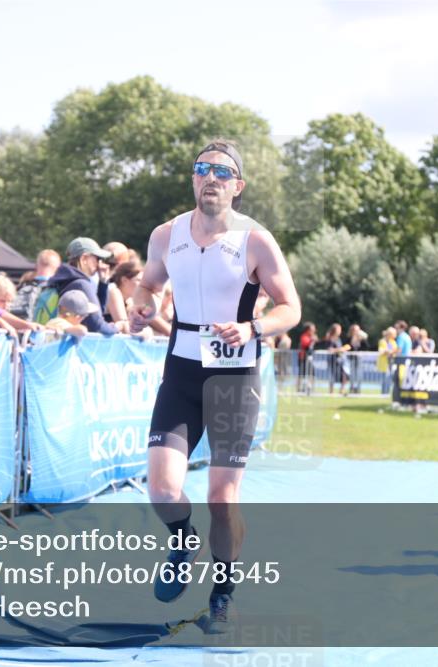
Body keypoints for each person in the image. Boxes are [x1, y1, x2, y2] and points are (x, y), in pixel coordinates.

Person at [128, 139, 301, 633]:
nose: (211, 178)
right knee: (163, 490)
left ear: (237, 186)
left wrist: (254, 328)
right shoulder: (166, 234)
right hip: (182, 373)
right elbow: (149, 284)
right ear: (192, 179)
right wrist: (143, 307)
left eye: (222, 172)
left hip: (234, 378)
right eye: (202, 169)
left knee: (222, 500)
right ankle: (182, 540)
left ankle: (222, 595)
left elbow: (291, 307)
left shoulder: (256, 241)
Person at [37, 237, 126, 335]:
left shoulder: (61, 281)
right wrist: (117, 327)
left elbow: (96, 312)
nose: (99, 264)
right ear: (84, 259)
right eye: (97, 258)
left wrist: (103, 284)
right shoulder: (82, 285)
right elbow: (97, 325)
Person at [10, 249, 61, 320]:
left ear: (36, 265)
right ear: (57, 268)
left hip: (20, 329)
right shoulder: (59, 291)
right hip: (47, 329)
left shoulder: (20, 288)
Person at [323, 323, 350, 395]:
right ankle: (331, 392)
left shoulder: (338, 339)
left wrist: (342, 349)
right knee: (332, 377)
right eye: (339, 329)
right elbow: (330, 349)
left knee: (345, 375)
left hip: (340, 360)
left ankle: (341, 391)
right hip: (332, 360)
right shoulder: (330, 338)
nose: (340, 331)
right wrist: (341, 349)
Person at [345, 323, 368, 394]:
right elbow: (347, 347)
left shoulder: (362, 339)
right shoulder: (349, 338)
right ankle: (351, 388)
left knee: (359, 374)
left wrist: (361, 339)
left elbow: (366, 347)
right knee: (352, 374)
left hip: (359, 359)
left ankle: (358, 389)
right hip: (352, 358)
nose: (357, 331)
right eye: (355, 330)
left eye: (358, 330)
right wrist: (352, 341)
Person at [297, 322, 317, 394]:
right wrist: (312, 340)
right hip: (303, 358)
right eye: (312, 329)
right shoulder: (304, 336)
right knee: (301, 374)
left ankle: (310, 388)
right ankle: (299, 389)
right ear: (308, 330)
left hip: (309, 358)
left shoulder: (311, 336)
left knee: (312, 373)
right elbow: (305, 345)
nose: (314, 330)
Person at [377, 327, 398, 395]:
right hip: (384, 364)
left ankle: (387, 393)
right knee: (385, 379)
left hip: (391, 362)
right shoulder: (382, 341)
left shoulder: (393, 342)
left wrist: (388, 351)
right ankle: (384, 393)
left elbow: (395, 350)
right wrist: (388, 351)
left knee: (389, 379)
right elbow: (381, 351)